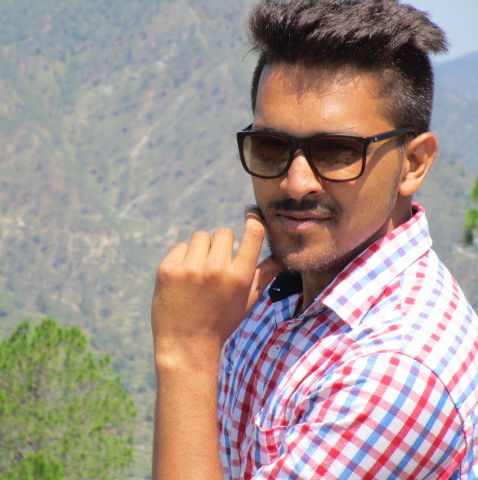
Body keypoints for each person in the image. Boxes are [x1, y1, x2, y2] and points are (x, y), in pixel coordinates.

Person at [150, 0, 478, 478]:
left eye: (337, 151)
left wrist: (186, 354)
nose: (295, 182)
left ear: (413, 164)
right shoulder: (271, 297)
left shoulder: (398, 370)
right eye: (271, 146)